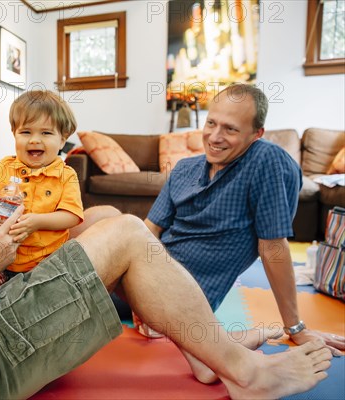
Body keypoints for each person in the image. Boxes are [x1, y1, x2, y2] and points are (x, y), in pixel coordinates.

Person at [0, 44, 332, 400]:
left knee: (106, 216)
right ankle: (247, 374)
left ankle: (200, 345)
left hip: (0, 297)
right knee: (129, 233)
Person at [140, 83, 344, 381]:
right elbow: (148, 231)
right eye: (211, 123)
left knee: (109, 223)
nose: (215, 136)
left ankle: (219, 351)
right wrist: (141, 287)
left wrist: (296, 328)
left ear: (257, 133)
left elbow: (273, 246)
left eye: (230, 129)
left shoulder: (267, 161)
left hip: (184, 299)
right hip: (149, 280)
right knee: (98, 218)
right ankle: (224, 346)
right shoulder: (184, 169)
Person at [0, 90, 83, 274]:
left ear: (62, 140)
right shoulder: (5, 165)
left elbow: (72, 216)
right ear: (14, 134)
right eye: (26, 132)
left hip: (48, 265)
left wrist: (37, 221)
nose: (35, 140)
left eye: (46, 133)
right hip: (3, 264)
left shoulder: (66, 175)